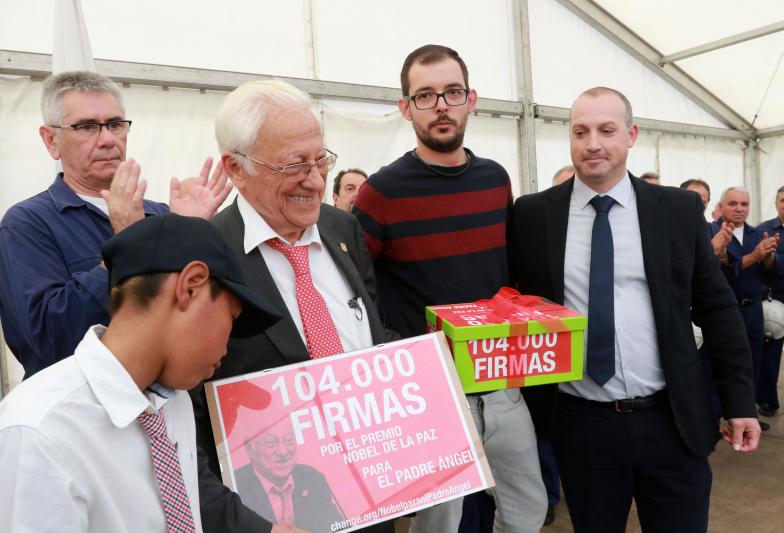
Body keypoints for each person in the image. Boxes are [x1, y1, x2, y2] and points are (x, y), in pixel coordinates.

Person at [511, 87, 760, 533]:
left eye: (607, 130)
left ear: (631, 135)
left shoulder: (677, 210)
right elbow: (515, 308)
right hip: (581, 425)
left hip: (671, 420)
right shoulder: (532, 215)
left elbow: (718, 309)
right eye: (580, 132)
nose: (593, 143)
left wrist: (740, 402)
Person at [353, 44, 547, 533]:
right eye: (425, 95)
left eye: (452, 92)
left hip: (500, 384)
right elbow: (355, 291)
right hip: (430, 392)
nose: (441, 105)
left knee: (528, 511)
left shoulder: (495, 180)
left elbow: (509, 277)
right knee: (439, 526)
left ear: (470, 99)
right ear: (406, 108)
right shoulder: (381, 192)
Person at [193, 79, 396, 533]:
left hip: (370, 491)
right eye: (294, 165)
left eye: (321, 159)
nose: (316, 180)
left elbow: (370, 334)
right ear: (236, 167)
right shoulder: (206, 257)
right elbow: (190, 410)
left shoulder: (343, 229)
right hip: (275, 515)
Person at [0, 213, 281, 532]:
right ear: (190, 287)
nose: (227, 347)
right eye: (231, 317)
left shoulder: (172, 402)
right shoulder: (38, 431)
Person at [0, 70, 231, 378]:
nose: (107, 139)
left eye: (115, 124)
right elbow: (49, 339)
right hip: (84, 401)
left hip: (164, 396)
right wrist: (126, 245)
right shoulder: (27, 224)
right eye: (86, 127)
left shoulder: (161, 216)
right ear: (51, 140)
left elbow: (204, 318)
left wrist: (191, 233)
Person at [712, 186, 778, 430]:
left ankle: (746, 413)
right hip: (722, 311)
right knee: (718, 363)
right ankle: (714, 416)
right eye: (733, 204)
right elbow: (722, 273)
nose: (739, 209)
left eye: (744, 204)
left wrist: (769, 256)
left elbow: (770, 273)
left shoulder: (759, 233)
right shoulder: (710, 232)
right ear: (721, 206)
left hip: (752, 311)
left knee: (751, 363)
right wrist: (755, 256)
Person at [235, 418, 343, 533]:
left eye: (289, 441)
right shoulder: (236, 487)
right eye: (270, 443)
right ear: (250, 449)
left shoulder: (312, 479)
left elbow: (334, 524)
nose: (283, 452)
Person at [756, 184, 784, 416]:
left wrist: (779, 259)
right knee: (770, 353)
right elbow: (760, 264)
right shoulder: (762, 230)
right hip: (774, 299)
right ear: (776, 203)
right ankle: (767, 400)